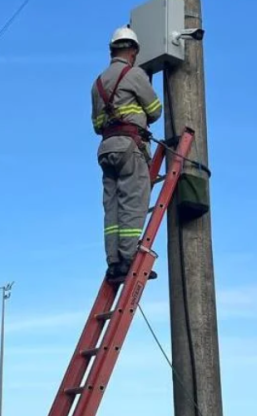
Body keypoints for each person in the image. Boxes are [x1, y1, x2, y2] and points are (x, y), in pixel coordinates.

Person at [92, 26, 163, 282]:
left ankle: (114, 262)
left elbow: (97, 124)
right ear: (133, 51)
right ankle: (129, 257)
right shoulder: (134, 74)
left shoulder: (97, 83)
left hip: (106, 149)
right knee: (133, 202)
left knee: (112, 209)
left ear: (112, 50)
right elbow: (155, 111)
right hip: (130, 147)